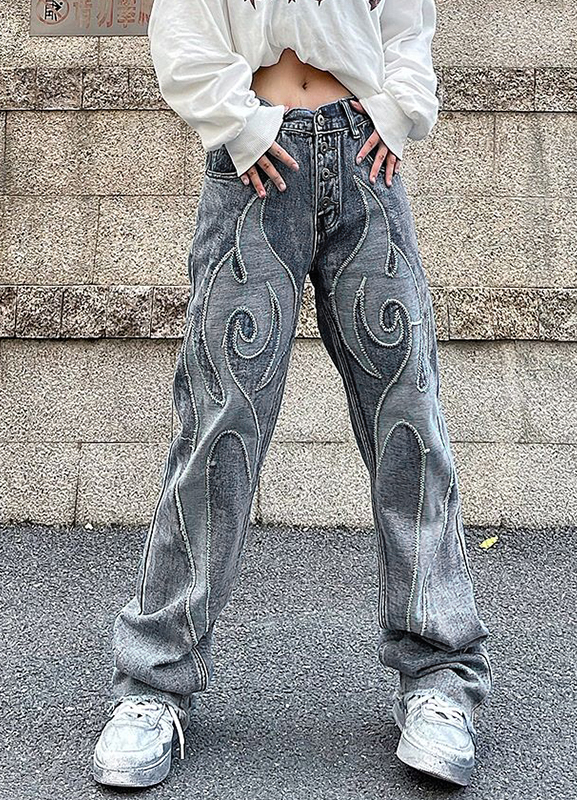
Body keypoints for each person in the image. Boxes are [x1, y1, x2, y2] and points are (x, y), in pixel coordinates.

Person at [92, 0, 493, 789]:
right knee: (217, 426)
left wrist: (397, 112)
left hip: (364, 160)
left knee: (409, 419)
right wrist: (240, 126)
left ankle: (442, 678)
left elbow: (408, 24)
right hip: (253, 167)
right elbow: (183, 26)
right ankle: (153, 687)